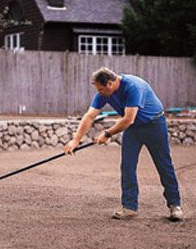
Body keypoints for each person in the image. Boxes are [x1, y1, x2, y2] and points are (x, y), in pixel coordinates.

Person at [64, 67, 183, 221]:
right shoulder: (103, 93)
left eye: (100, 89)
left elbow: (128, 119)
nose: (99, 92)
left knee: (164, 165)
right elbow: (90, 116)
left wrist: (107, 134)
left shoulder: (134, 87)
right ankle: (129, 207)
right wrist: (76, 139)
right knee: (127, 166)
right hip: (133, 129)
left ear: (110, 84)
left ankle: (175, 206)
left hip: (154, 125)